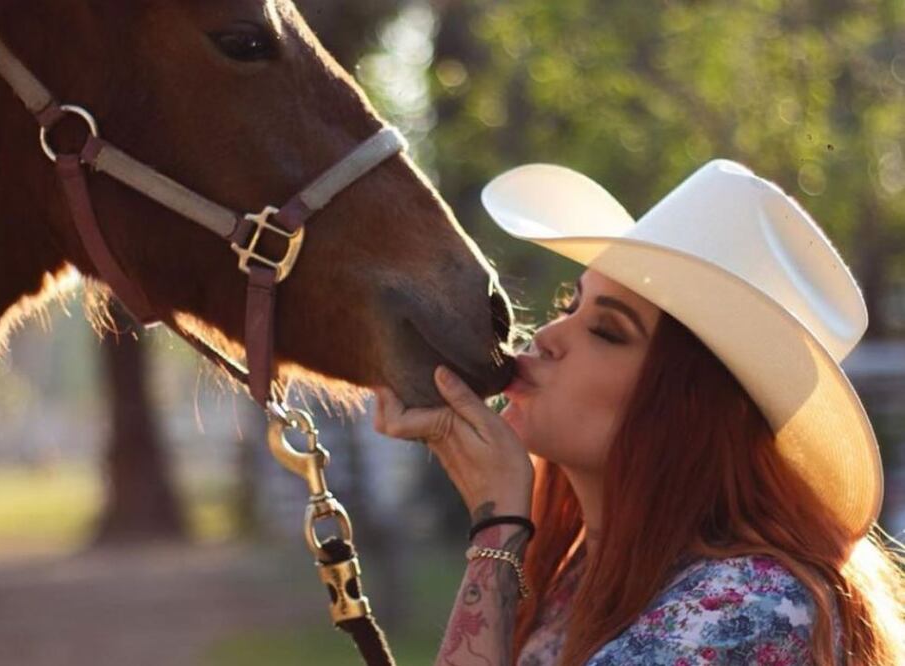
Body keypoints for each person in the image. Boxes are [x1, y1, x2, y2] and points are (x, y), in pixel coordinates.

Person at [373, 160, 905, 665]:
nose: (548, 336)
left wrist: (497, 527)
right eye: (570, 306)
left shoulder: (753, 609)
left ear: (692, 411)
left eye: (607, 331)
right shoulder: (584, 575)